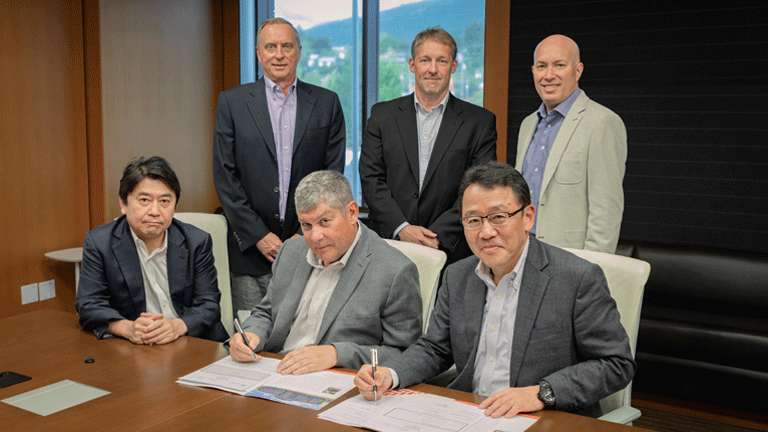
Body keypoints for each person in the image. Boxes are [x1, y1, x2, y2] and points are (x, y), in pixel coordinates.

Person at [354, 162, 635, 418]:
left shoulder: (577, 278)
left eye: (498, 217)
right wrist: (391, 374)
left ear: (527, 217)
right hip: (467, 415)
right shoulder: (457, 275)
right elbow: (435, 348)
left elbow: (616, 363)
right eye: (473, 220)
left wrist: (541, 392)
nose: (486, 232)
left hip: (543, 418)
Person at [229, 170, 422, 375]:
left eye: (324, 222)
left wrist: (336, 354)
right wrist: (251, 334)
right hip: (274, 368)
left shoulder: (394, 270)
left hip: (338, 379)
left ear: (352, 212)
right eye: (306, 225)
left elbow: (406, 354)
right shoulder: (291, 251)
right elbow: (267, 312)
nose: (315, 237)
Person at [213, 18, 346, 315]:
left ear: (299, 51)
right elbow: (225, 176)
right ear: (259, 54)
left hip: (312, 246)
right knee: (253, 341)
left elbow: (332, 175)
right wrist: (258, 236)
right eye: (270, 47)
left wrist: (305, 233)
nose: (279, 54)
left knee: (304, 337)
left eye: (287, 46)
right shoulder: (232, 102)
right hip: (250, 252)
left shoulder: (327, 103)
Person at [359, 27, 496, 265]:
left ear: (453, 66)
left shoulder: (480, 122)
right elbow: (371, 178)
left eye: (441, 61)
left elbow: (479, 189)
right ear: (412, 65)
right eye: (425, 60)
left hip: (451, 254)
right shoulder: (382, 116)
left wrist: (437, 236)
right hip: (389, 248)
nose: (433, 69)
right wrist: (402, 228)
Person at [76, 156, 228, 344]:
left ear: (174, 206)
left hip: (192, 341)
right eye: (145, 200)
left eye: (164, 201)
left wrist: (177, 326)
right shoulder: (100, 242)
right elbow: (88, 305)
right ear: (123, 204)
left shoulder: (197, 241)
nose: (155, 211)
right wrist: (127, 328)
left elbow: (209, 305)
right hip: (135, 345)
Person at [515, 34, 627, 253]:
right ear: (533, 71)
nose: (549, 75)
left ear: (578, 71)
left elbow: (606, 212)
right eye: (541, 66)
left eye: (559, 65)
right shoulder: (527, 125)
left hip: (571, 260)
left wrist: (592, 271)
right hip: (523, 252)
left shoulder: (602, 122)